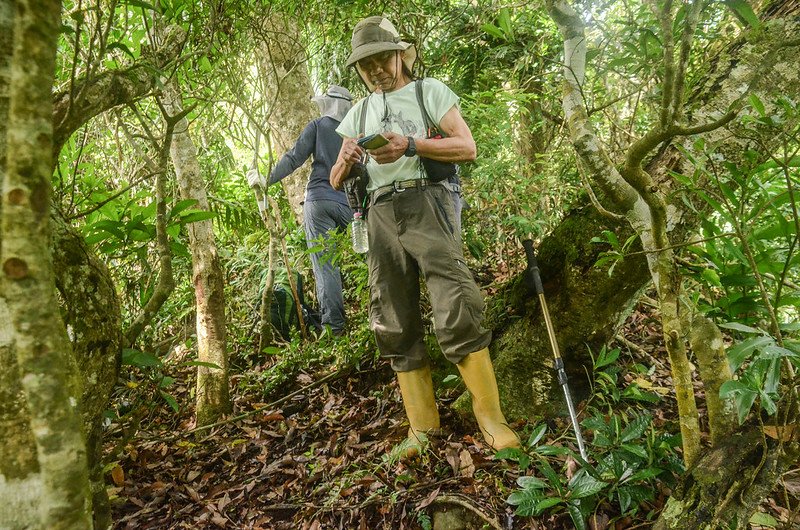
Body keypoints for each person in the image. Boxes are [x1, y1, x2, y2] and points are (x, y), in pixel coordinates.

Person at [330, 16, 519, 455]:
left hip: (427, 200)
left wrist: (410, 145)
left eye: (382, 58)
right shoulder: (356, 113)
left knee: (454, 299)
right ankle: (421, 429)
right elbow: (336, 181)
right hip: (378, 212)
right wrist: (345, 158)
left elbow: (466, 148)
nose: (375, 69)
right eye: (365, 64)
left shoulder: (428, 91)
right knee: (391, 314)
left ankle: (491, 419)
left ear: (400, 55)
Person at [249, 85, 354, 336]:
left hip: (319, 202)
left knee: (326, 265)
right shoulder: (355, 134)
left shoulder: (317, 126)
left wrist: (265, 179)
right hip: (351, 206)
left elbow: (294, 158)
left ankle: (334, 329)